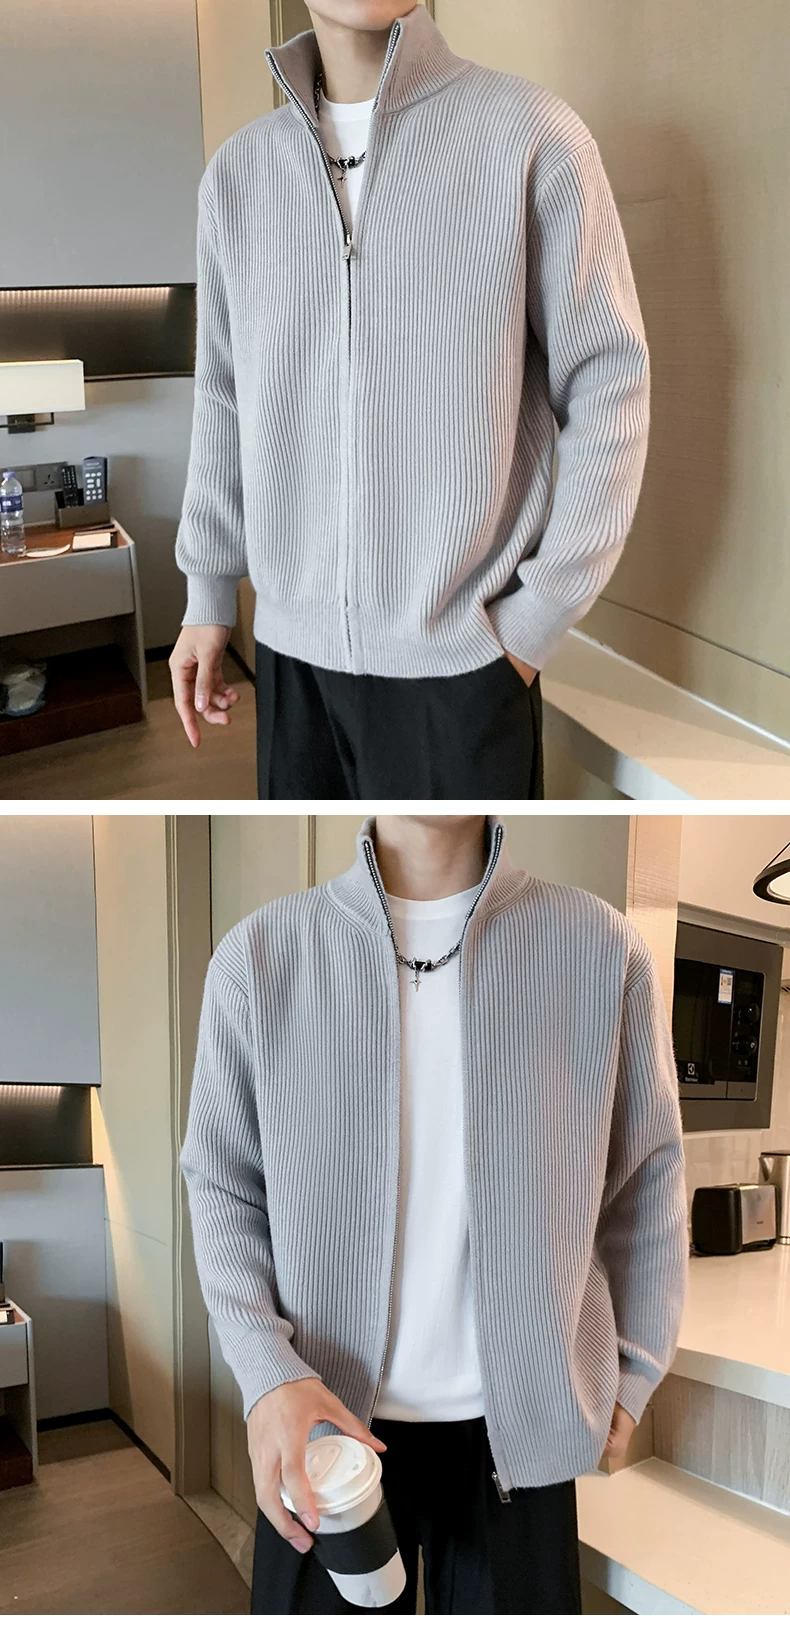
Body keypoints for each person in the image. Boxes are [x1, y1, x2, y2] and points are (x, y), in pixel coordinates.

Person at [180, 814, 687, 1614]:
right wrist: (267, 1373)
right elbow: (221, 1182)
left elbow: (648, 1176)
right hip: (321, 1429)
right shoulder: (261, 955)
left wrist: (633, 1370)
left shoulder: (602, 949)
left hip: (518, 1442)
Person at [169, 2, 650, 799]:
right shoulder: (238, 174)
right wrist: (208, 593)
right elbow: (224, 393)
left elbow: (609, 378)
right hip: (292, 660)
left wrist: (535, 622)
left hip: (464, 666)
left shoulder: (529, 135)